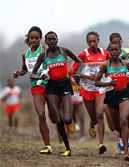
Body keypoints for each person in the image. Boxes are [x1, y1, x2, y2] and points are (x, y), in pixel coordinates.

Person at [30, 31, 82, 156]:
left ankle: (70, 122)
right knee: (58, 120)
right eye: (49, 40)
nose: (52, 41)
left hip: (64, 85)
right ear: (46, 42)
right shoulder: (43, 55)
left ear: (57, 40)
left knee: (67, 118)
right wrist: (39, 77)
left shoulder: (64, 51)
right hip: (52, 87)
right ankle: (67, 148)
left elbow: (79, 61)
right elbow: (32, 74)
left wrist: (77, 74)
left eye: (54, 39)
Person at [13, 26, 53, 154]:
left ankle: (66, 124)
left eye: (37, 38)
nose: (34, 40)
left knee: (54, 117)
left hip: (50, 85)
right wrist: (19, 72)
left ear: (41, 39)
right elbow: (25, 69)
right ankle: (47, 146)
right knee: (41, 114)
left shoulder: (45, 49)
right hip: (36, 86)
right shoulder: (25, 54)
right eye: (32, 38)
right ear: (28, 39)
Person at [95, 41, 129, 161]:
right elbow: (96, 82)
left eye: (116, 50)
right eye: (111, 50)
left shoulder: (126, 63)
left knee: (124, 120)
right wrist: (108, 83)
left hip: (123, 93)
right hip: (111, 95)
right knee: (116, 126)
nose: (114, 52)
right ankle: (121, 136)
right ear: (109, 51)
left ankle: (126, 153)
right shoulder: (105, 65)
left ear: (120, 51)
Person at [72, 31, 111, 154]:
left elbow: (111, 66)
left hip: (101, 88)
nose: (92, 44)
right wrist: (87, 77)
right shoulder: (83, 54)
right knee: (94, 118)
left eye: (94, 41)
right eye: (90, 42)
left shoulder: (105, 53)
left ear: (98, 41)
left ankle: (101, 144)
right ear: (87, 42)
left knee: (100, 114)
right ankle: (91, 123)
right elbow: (75, 72)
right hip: (87, 89)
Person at [109, 32, 129, 152]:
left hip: (126, 88)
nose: (116, 45)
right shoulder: (107, 60)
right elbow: (100, 77)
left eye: (118, 42)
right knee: (113, 125)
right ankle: (120, 136)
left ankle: (126, 137)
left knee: (125, 116)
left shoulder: (128, 52)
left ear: (122, 42)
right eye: (114, 42)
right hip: (111, 92)